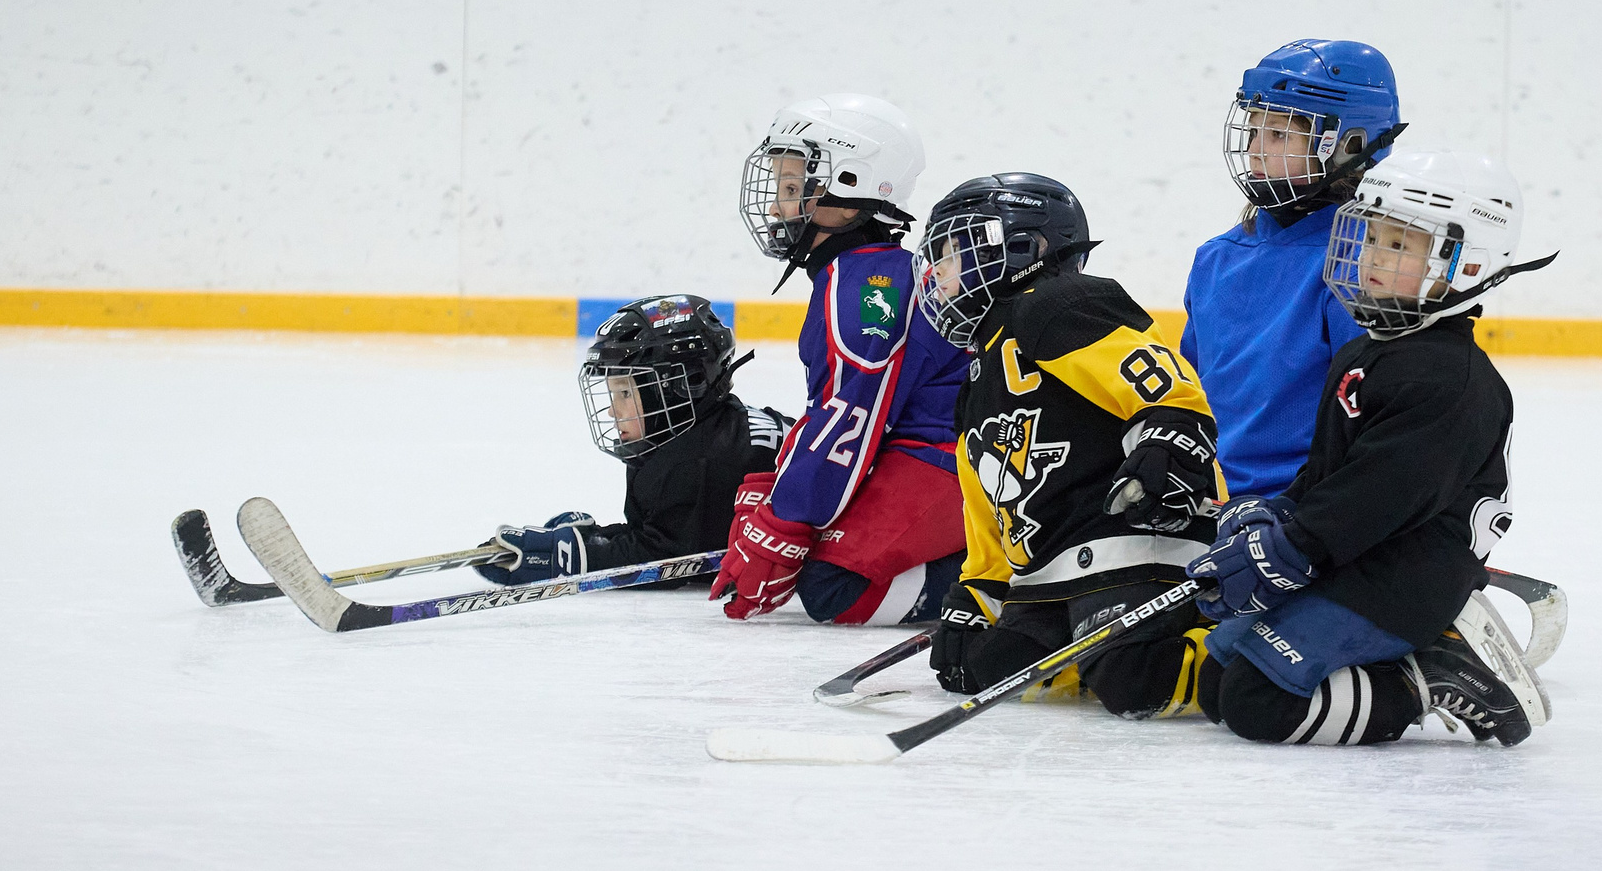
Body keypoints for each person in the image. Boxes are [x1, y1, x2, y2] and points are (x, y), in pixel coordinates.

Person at [1186, 147, 1557, 747]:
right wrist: (1276, 512)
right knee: (1218, 681)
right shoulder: (1366, 352)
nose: (1371, 260)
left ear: (1467, 264)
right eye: (1370, 238)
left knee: (1260, 705)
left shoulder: (1451, 379)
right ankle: (1388, 662)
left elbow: (1382, 496)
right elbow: (1331, 471)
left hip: (1406, 574)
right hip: (1354, 554)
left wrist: (1294, 546)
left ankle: (1426, 676)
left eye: (1400, 246)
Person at [915, 172, 1223, 717]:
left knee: (1136, 680)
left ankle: (1250, 658)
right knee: (990, 671)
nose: (938, 271)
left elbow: (1162, 383)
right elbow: (991, 502)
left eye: (955, 251)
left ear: (1022, 249)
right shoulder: (979, 372)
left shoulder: (1059, 303)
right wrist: (979, 591)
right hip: (1051, 568)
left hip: (1135, 538)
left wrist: (1168, 438)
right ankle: (1093, 644)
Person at [711, 93, 967, 625]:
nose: (779, 205)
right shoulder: (861, 271)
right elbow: (840, 409)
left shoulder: (863, 288)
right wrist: (778, 489)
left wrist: (788, 521)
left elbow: (852, 415)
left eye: (791, 187)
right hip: (920, 446)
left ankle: (999, 574)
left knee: (838, 591)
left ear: (850, 190)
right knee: (808, 541)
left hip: (950, 459)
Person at [1182, 39, 1403, 500]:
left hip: (1301, 508)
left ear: (1351, 143)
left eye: (1279, 135)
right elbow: (1188, 393)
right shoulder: (1216, 257)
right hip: (1208, 499)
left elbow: (1371, 419)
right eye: (1253, 132)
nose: (1257, 151)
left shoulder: (1363, 263)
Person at [475, 294, 787, 584]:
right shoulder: (694, 433)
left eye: (625, 393)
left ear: (679, 386)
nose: (612, 411)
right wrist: (596, 538)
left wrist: (576, 557)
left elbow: (669, 561)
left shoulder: (702, 462)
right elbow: (666, 535)